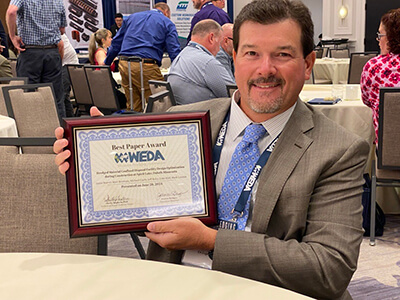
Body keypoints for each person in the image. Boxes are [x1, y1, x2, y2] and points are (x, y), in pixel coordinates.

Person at [54, 1, 369, 298]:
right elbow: (140, 204)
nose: (265, 68)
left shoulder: (338, 149)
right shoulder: (180, 125)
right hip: (172, 286)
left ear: (308, 63)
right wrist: (93, 167)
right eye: (251, 53)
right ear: (234, 58)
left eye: (282, 55)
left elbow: (329, 267)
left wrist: (212, 241)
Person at [104, 2, 181, 112]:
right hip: (146, 65)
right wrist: (179, 72)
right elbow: (174, 52)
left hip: (124, 64)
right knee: (161, 103)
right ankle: (159, 127)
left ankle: (134, 126)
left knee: (133, 104)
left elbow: (116, 43)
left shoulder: (132, 18)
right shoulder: (167, 23)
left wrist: (106, 63)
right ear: (166, 12)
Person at [6, 0, 67, 120]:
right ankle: (60, 134)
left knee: (28, 97)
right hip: (52, 52)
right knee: (55, 98)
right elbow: (62, 30)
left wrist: (12, 37)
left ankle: (32, 134)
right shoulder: (58, 1)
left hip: (30, 53)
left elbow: (11, 12)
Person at [168, 19, 235, 105]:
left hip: (184, 112)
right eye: (219, 43)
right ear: (211, 38)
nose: (219, 49)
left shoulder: (182, 55)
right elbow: (233, 94)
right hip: (206, 114)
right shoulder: (207, 62)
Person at [361, 8, 400, 144]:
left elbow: (366, 100)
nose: (378, 40)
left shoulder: (373, 67)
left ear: (391, 37)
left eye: (380, 35)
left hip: (388, 150)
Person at [88, 28, 126, 109]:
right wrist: (112, 59)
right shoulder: (100, 52)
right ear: (103, 40)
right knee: (126, 99)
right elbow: (103, 66)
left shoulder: (102, 51)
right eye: (109, 37)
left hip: (105, 84)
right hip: (104, 86)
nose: (111, 39)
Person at [61, 34, 78, 117]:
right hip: (65, 64)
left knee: (62, 95)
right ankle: (70, 120)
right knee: (64, 96)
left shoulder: (53, 30)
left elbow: (60, 48)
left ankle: (65, 121)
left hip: (67, 65)